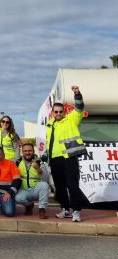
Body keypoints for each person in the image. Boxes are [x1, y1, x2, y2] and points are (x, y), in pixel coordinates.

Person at [46, 85, 87, 222]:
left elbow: (80, 107)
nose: (58, 114)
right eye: (55, 112)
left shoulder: (71, 119)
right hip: (55, 160)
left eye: (60, 111)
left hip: (69, 157)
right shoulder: (49, 125)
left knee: (72, 185)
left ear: (64, 112)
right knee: (59, 187)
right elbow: (49, 143)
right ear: (52, 113)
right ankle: (65, 209)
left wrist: (77, 94)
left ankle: (76, 211)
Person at [14, 143, 50, 219]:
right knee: (18, 198)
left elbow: (46, 178)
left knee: (44, 185)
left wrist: (38, 169)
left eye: (30, 151)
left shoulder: (40, 162)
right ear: (22, 152)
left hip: (36, 189)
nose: (27, 153)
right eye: (25, 151)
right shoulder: (17, 162)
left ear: (34, 151)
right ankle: (29, 205)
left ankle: (42, 209)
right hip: (24, 189)